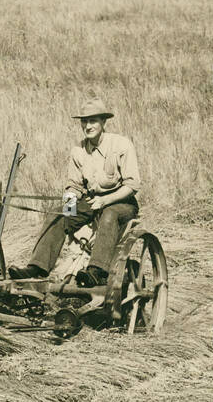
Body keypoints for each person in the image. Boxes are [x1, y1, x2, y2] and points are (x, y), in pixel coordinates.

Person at [9, 98, 139, 287]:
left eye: (93, 121)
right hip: (91, 202)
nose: (88, 126)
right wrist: (68, 207)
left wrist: (105, 201)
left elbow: (132, 185)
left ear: (104, 122)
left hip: (122, 202)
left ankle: (96, 271)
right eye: (84, 121)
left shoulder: (121, 145)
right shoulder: (78, 150)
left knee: (109, 214)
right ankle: (37, 268)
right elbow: (74, 186)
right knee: (58, 212)